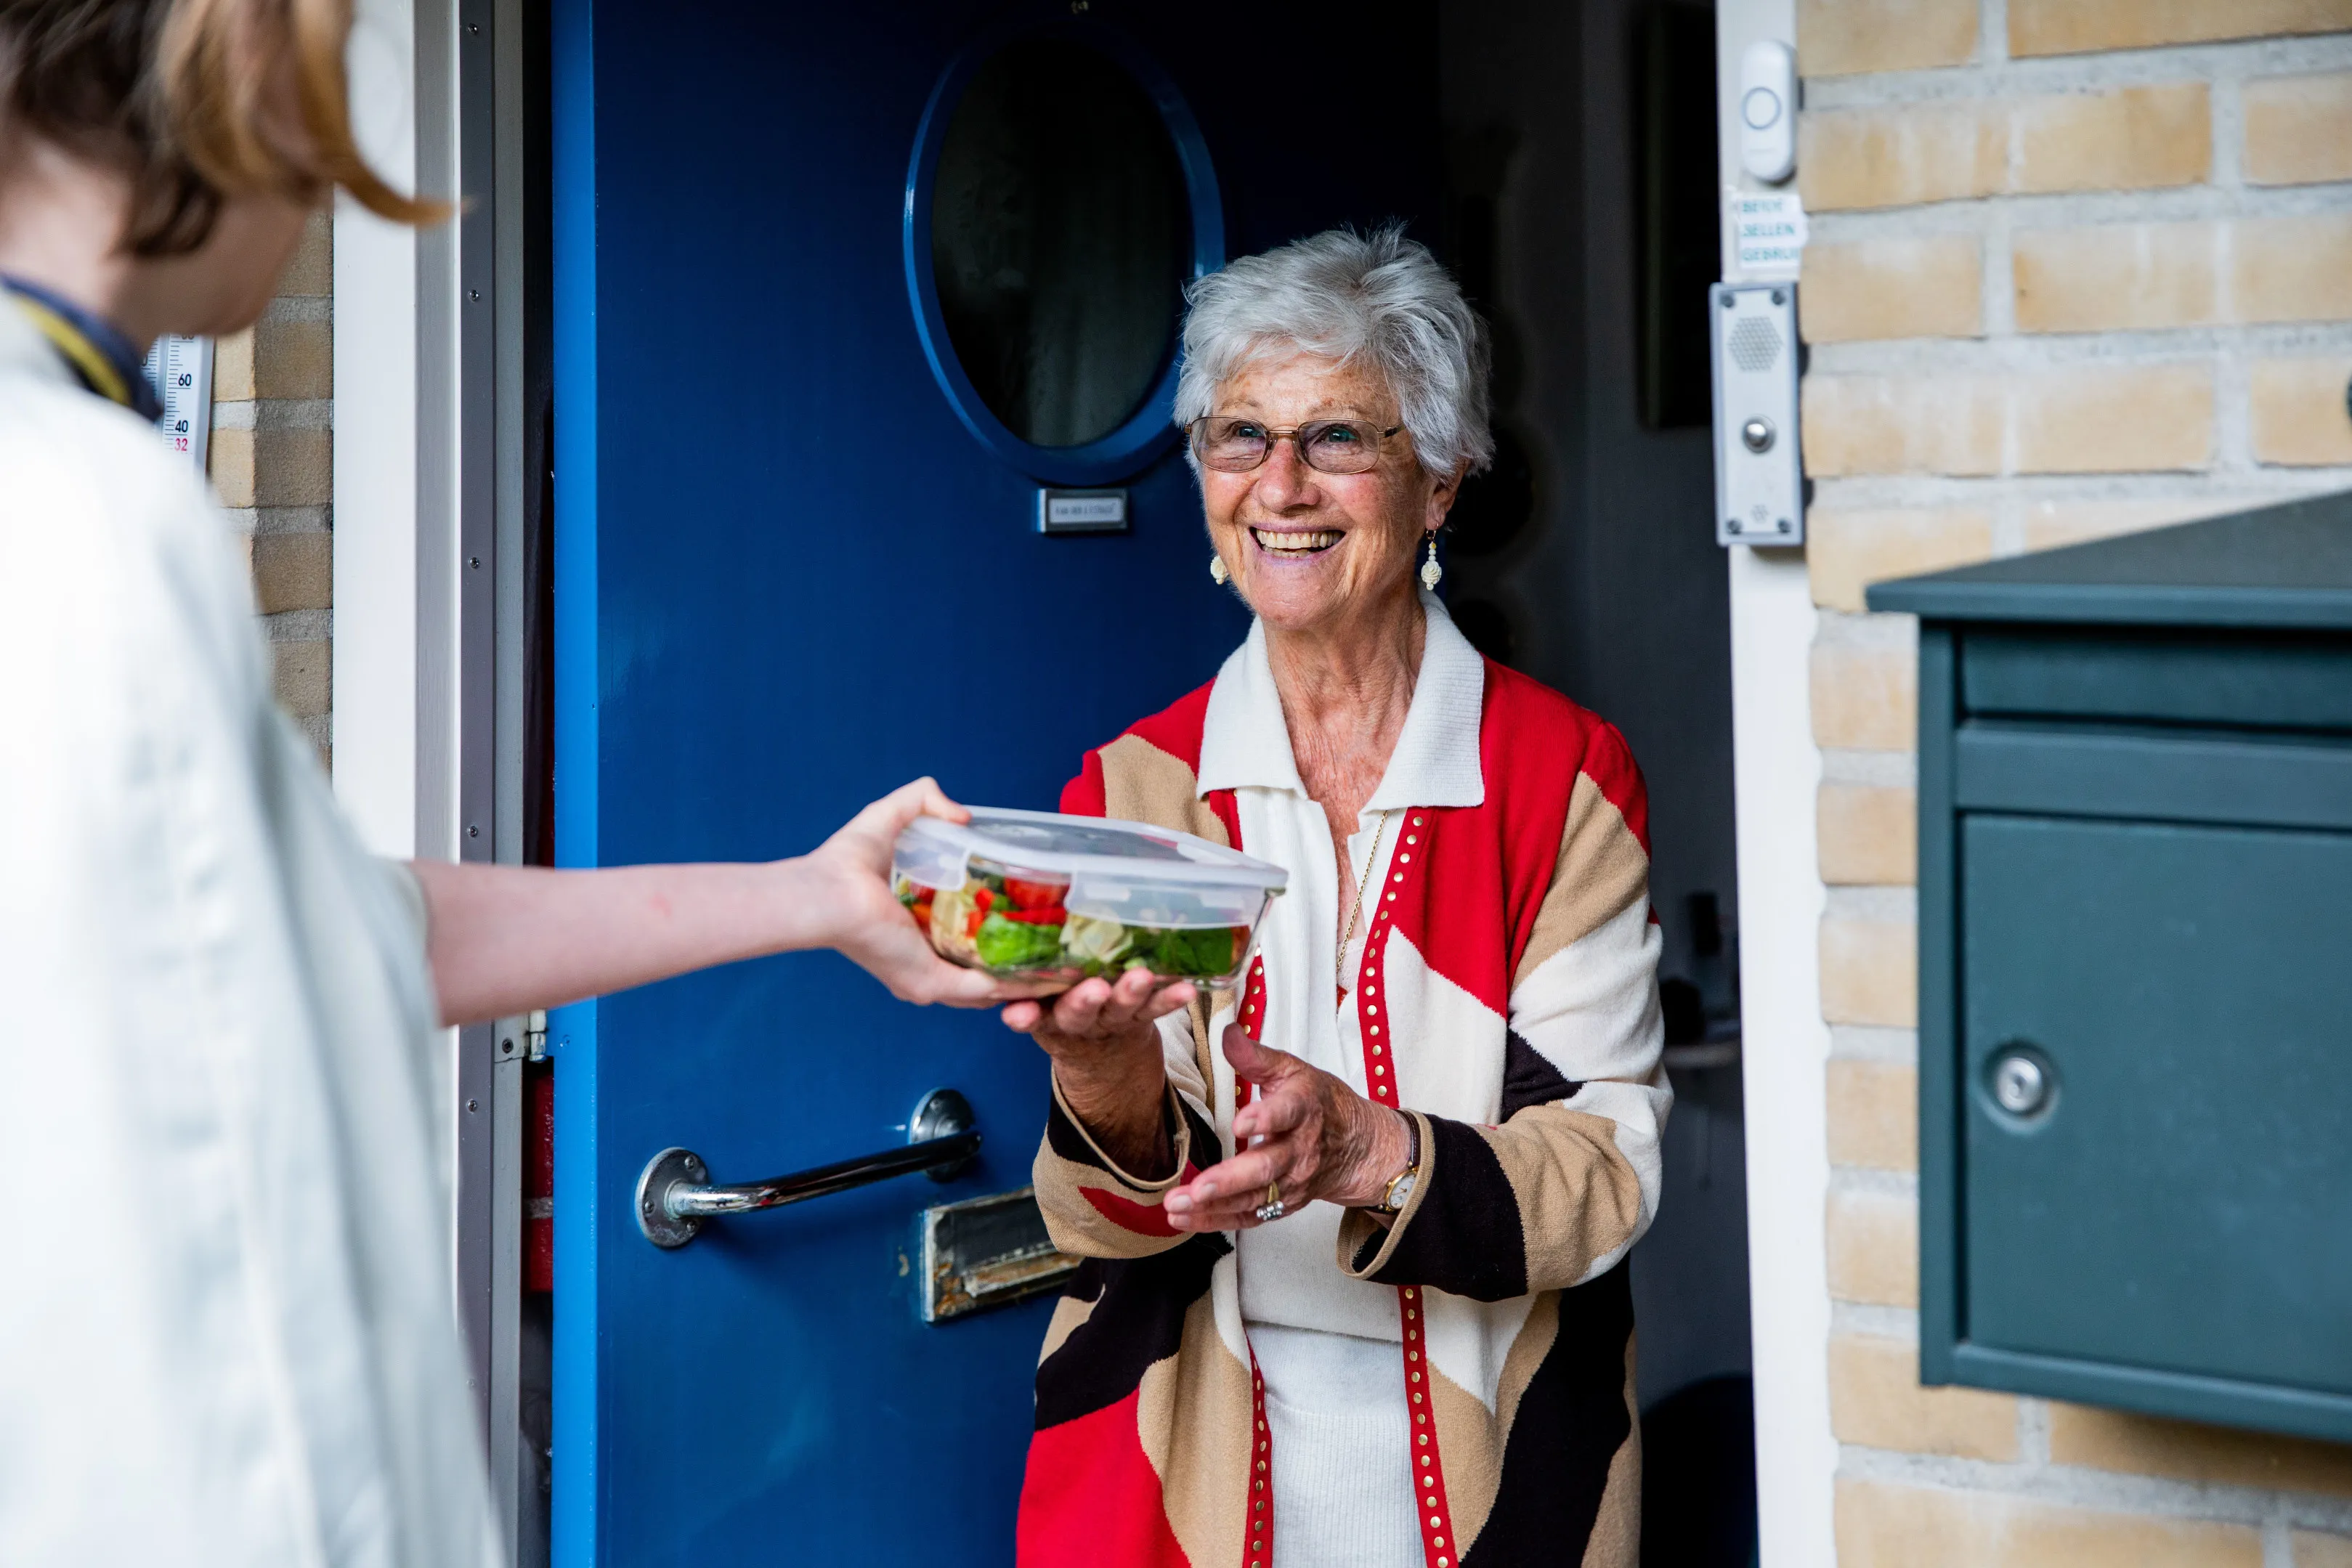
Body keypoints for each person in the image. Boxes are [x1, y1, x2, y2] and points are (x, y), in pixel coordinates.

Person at [0, 1, 1031, 1561]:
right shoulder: (85, 528)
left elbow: (350, 932)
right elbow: (232, 1388)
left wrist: (817, 897)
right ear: (241, 46)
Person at [1007, 227, 1671, 1568]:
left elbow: (1604, 1170)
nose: (1280, 486)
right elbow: (1101, 1215)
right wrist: (1099, 1072)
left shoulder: (1554, 779)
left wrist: (1364, 1149)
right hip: (1172, 1470)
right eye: (1239, 434)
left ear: (1439, 481)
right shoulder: (1134, 786)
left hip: (1499, 1470)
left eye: (1338, 440)